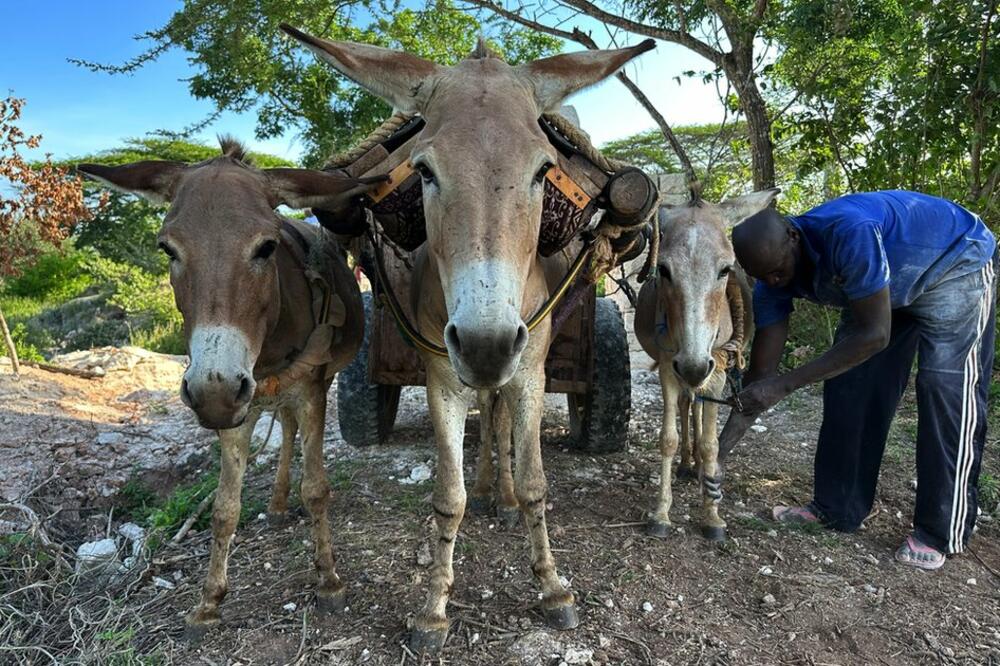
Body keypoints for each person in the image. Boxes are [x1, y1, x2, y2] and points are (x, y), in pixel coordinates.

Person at [727, 190, 996, 570]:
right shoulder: (769, 280)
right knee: (851, 384)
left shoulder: (849, 232)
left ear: (793, 237)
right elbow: (761, 376)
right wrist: (718, 451)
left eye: (778, 271)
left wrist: (785, 385)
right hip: (880, 288)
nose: (772, 280)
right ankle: (836, 507)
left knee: (944, 388)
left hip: (954, 264)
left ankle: (940, 530)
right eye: (762, 277)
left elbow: (874, 334)